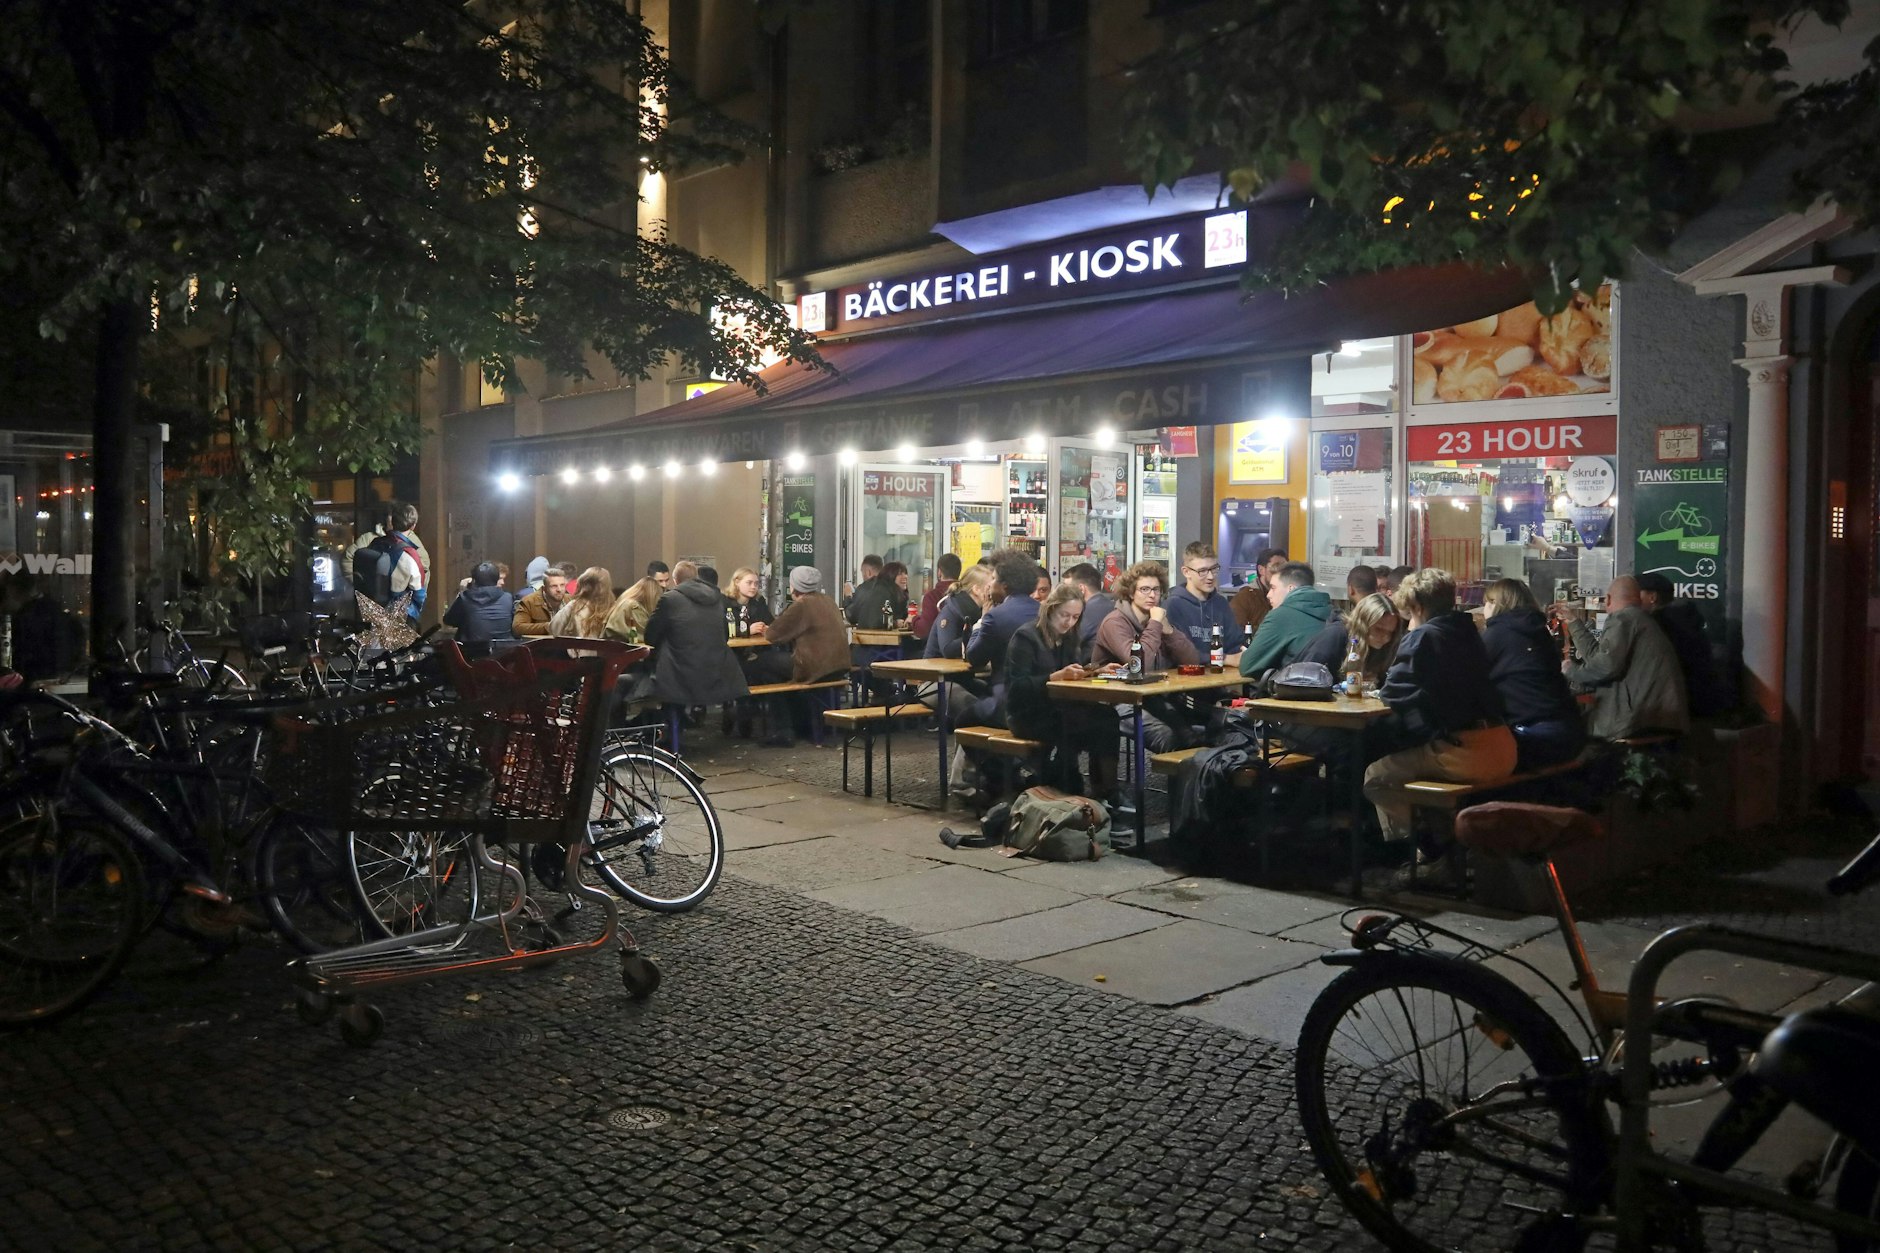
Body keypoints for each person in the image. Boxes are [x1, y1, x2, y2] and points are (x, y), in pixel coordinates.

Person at [1363, 568, 1517, 851]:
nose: (1407, 622)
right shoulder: (1469, 631)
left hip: (1466, 754)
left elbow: (1392, 692)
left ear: (1418, 607)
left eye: (1409, 613)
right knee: (1418, 764)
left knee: (1376, 776)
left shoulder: (1423, 636)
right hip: (1503, 746)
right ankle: (1443, 842)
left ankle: (1422, 852)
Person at [1001, 583, 1116, 798]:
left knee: (1107, 717)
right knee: (1083, 725)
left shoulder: (1069, 637)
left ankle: (1107, 792)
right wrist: (1053, 678)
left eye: (1075, 617)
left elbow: (1073, 671)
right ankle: (1070, 784)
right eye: (1065, 615)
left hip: (1059, 708)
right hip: (1027, 714)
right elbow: (1017, 688)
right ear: (1051, 609)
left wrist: (1097, 671)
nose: (1069, 622)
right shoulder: (1026, 637)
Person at [1556, 575, 1690, 740]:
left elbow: (1606, 666)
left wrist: (1571, 671)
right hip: (1658, 717)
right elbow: (1599, 657)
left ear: (1609, 598)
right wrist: (1573, 622)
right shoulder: (1638, 620)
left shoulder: (1623, 618)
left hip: (1639, 721)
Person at [1090, 561, 1200, 750]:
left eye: (1156, 590)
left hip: (1152, 696)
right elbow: (1141, 666)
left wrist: (1169, 632)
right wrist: (1156, 624)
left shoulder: (1155, 620)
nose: (1152, 595)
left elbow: (1192, 660)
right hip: (1116, 701)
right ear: (1131, 593)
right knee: (1167, 737)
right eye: (1144, 589)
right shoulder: (1114, 622)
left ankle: (1193, 777)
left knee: (1193, 734)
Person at [1481, 578, 1587, 770]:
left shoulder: (1495, 636)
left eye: (1486, 602)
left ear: (1496, 604)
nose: (1483, 610)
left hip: (1534, 736)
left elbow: (1472, 679)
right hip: (1571, 732)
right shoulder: (1540, 633)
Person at [748, 565, 850, 745]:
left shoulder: (802, 605)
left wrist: (765, 629)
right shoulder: (828, 600)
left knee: (761, 664)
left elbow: (773, 635)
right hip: (839, 666)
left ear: (794, 587)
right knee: (772, 673)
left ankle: (783, 729)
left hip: (815, 667)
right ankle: (795, 724)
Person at [644, 562, 749, 720]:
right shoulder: (718, 598)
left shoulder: (669, 599)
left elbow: (651, 636)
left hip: (679, 673)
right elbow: (726, 634)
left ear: (675, 580)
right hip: (715, 670)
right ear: (696, 577)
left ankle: (670, 731)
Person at [962, 548, 1045, 726]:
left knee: (963, 719)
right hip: (1042, 698)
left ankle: (981, 754)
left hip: (1008, 700)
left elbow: (974, 657)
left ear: (1005, 585)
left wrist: (982, 620)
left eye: (993, 579)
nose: (989, 585)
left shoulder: (996, 616)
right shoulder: (1044, 612)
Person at [1635, 573, 1734, 717]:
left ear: (1653, 597)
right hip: (1698, 705)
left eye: (1637, 594)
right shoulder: (1686, 622)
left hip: (1674, 709)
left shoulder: (1659, 626)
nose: (1632, 600)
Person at [1239, 562, 1332, 677]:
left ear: (1291, 589)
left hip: (1291, 690)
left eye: (1273, 588)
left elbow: (1247, 667)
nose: (1268, 595)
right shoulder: (1331, 611)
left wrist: (1244, 655)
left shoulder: (1279, 617)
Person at [1166, 541, 1246, 660]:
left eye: (1214, 569)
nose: (1210, 577)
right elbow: (1180, 653)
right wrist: (1225, 659)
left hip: (1222, 675)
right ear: (1186, 572)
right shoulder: (1173, 605)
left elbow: (1235, 643)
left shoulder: (1221, 603)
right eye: (1202, 571)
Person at [441, 561, 515, 655]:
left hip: (471, 655)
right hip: (503, 654)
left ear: (474, 580)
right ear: (496, 579)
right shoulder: (508, 598)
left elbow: (449, 620)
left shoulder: (465, 598)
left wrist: (462, 591)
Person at [1230, 548, 1287, 633]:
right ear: (1261, 570)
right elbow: (1235, 633)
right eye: (1276, 567)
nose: (1281, 572)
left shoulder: (1287, 595)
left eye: (1285, 567)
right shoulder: (1244, 598)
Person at [549, 566, 615, 638]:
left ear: (582, 583)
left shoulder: (574, 606)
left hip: (575, 648)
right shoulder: (614, 608)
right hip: (605, 649)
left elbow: (554, 629)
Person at [910, 553, 961, 642]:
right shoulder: (965, 593)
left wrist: (913, 619)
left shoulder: (932, 596)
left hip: (938, 649)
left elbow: (924, 630)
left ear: (939, 572)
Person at [1064, 563, 1113, 655]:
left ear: (1081, 589)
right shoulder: (1110, 605)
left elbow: (1068, 643)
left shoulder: (1087, 611)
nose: (1064, 594)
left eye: (1067, 589)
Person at [513, 562, 574, 636]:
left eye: (562, 585)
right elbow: (517, 627)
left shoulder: (571, 600)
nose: (559, 589)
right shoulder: (529, 601)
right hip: (542, 646)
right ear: (544, 588)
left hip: (566, 645)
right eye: (554, 586)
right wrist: (549, 627)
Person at [603, 575, 663, 645]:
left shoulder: (625, 601)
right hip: (622, 648)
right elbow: (645, 633)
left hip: (612, 647)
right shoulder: (633, 606)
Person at [727, 567, 775, 637]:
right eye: (749, 583)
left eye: (756, 583)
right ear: (737, 582)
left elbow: (771, 622)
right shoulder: (724, 601)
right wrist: (747, 630)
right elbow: (721, 629)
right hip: (733, 646)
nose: (753, 587)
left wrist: (767, 629)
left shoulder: (759, 601)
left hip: (757, 645)